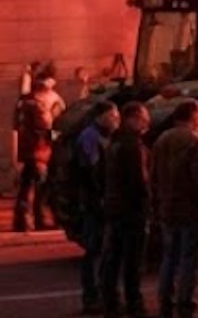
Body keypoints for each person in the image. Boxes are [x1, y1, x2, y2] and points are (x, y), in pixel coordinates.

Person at [151, 99, 198, 318]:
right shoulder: (196, 142)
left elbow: (153, 175)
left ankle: (164, 298)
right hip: (190, 209)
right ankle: (185, 300)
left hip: (168, 207)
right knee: (190, 258)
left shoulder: (162, 139)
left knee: (170, 255)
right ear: (193, 116)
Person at [100, 102, 151, 318]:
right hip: (131, 210)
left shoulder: (114, 143)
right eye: (143, 118)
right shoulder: (132, 145)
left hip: (114, 206)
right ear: (133, 117)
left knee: (113, 257)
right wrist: (147, 205)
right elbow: (138, 181)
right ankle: (134, 302)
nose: (146, 122)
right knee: (132, 260)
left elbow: (99, 174)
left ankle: (111, 301)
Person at [75, 101, 120, 313]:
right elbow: (90, 170)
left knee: (104, 249)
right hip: (94, 202)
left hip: (100, 199)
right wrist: (100, 197)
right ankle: (91, 296)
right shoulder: (90, 137)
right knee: (94, 250)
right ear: (100, 116)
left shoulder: (104, 136)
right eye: (113, 116)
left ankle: (100, 293)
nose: (116, 120)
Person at [12, 77, 56, 230]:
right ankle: (38, 219)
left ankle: (23, 220)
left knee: (27, 185)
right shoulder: (38, 104)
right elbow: (45, 126)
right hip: (39, 150)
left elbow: (16, 126)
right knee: (39, 186)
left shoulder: (23, 102)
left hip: (29, 150)